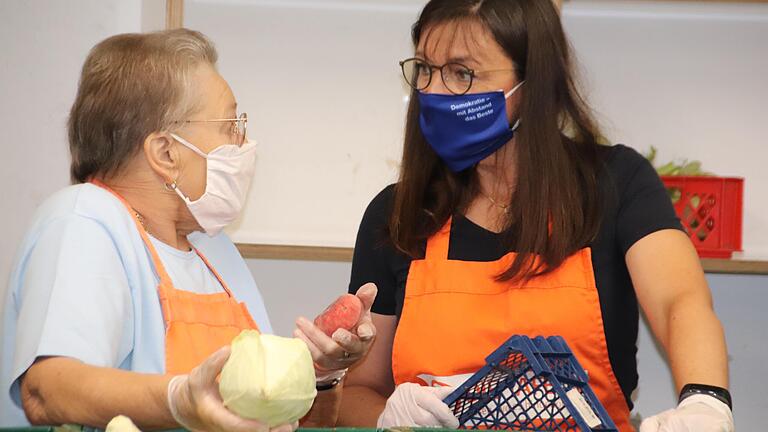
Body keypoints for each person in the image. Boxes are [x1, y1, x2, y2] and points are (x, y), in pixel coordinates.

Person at [338, 1, 732, 432]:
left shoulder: (615, 183)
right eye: (427, 71)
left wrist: (705, 402)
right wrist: (386, 417)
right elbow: (357, 391)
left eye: (462, 73)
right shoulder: (400, 214)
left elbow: (681, 300)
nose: (436, 92)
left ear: (533, 81)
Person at [0, 28, 377, 430]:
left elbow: (286, 425)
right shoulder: (84, 220)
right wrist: (179, 401)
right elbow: (46, 391)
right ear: (165, 152)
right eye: (230, 125)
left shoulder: (214, 250)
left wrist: (319, 374)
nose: (244, 142)